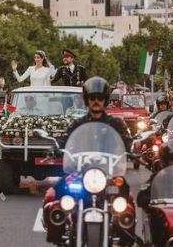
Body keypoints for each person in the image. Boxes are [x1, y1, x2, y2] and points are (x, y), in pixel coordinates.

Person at [43, 77, 133, 245]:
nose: (96, 101)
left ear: (106, 100)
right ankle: (57, 232)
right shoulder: (78, 124)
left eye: (100, 98)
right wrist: (56, 148)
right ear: (87, 100)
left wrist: (133, 148)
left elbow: (127, 142)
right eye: (92, 98)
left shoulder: (116, 124)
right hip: (80, 172)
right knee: (55, 194)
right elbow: (64, 140)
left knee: (127, 197)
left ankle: (125, 235)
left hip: (108, 173)